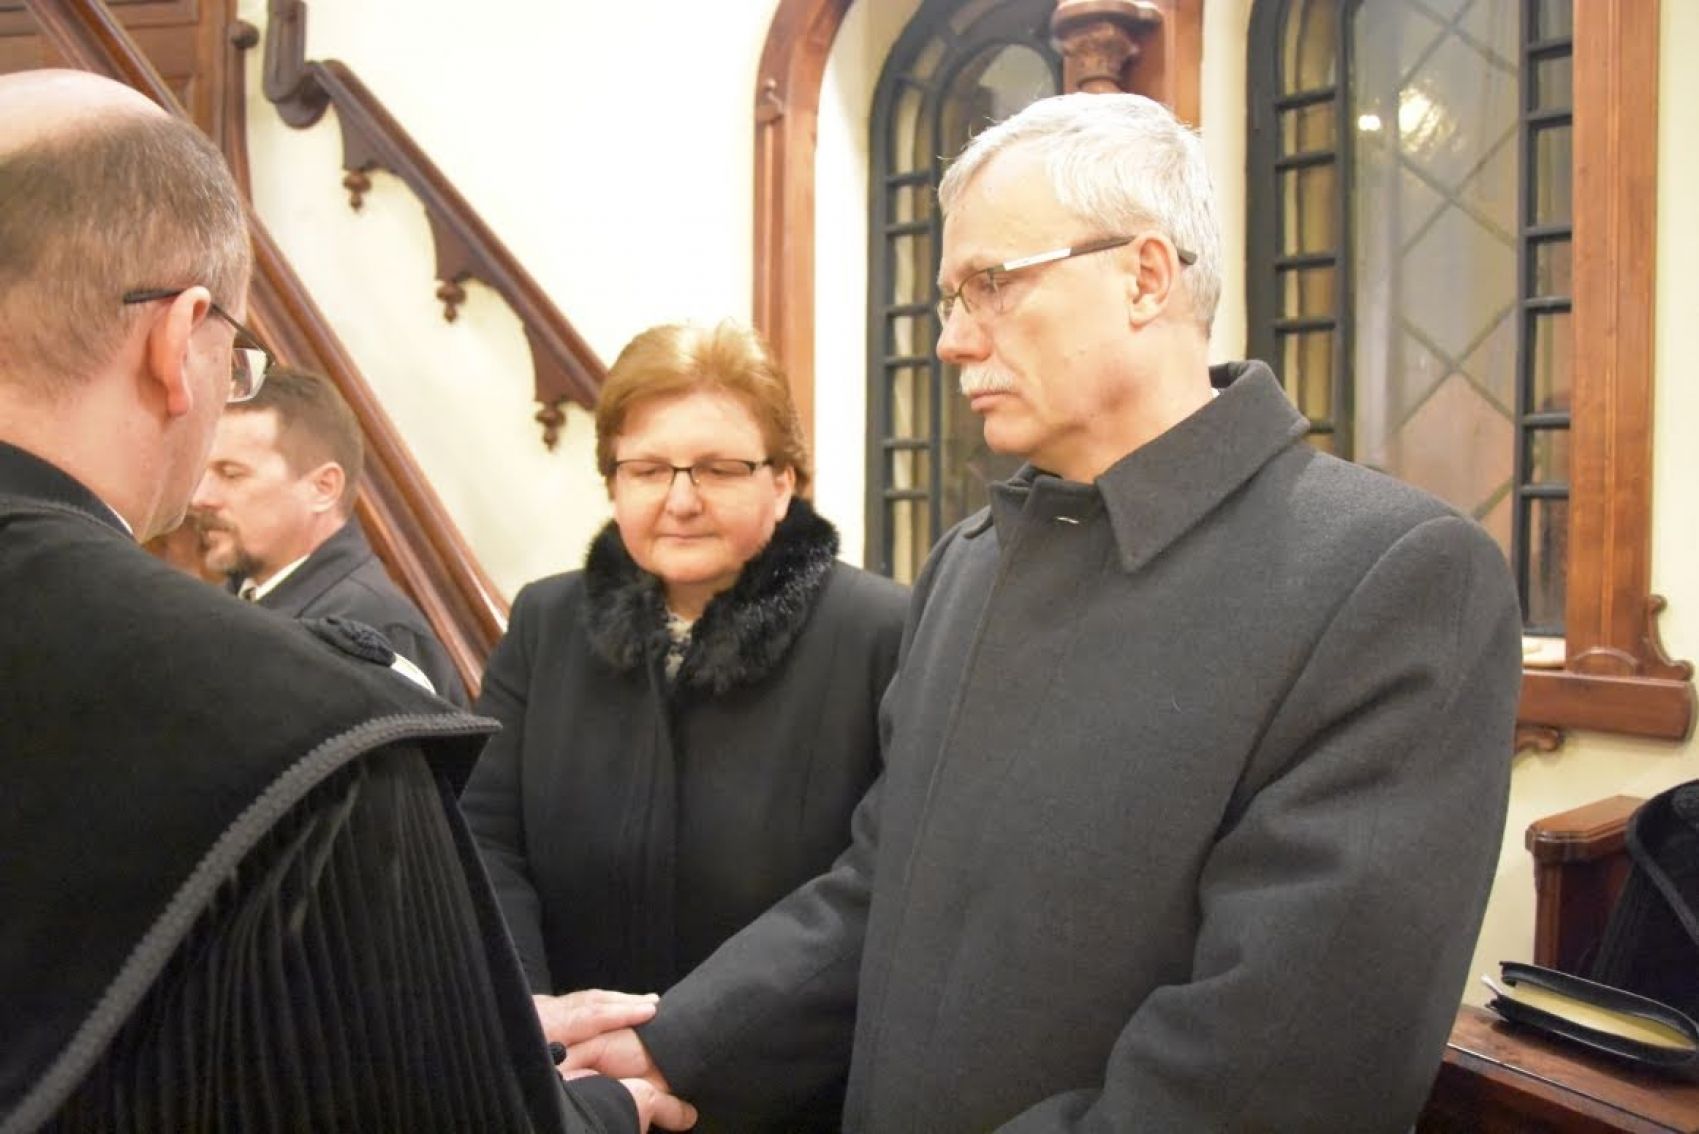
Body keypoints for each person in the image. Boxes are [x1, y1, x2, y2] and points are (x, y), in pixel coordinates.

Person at [565, 92, 1524, 1132]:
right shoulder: (971, 562)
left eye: (990, 284)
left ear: (1144, 278)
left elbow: (1271, 1070)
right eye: (949, 297)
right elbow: (885, 890)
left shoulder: (1389, 576)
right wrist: (679, 1040)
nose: (950, 339)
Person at [0, 69, 691, 1133]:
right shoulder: (314, 738)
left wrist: (472, 1013)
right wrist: (592, 1109)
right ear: (178, 343)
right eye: (234, 360)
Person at [461, 319, 909, 1131]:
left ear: (783, 480)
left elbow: (878, 885)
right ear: (612, 482)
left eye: (718, 468)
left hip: (783, 1097)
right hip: (571, 1089)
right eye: (646, 469)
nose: (679, 499)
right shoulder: (545, 621)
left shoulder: (880, 632)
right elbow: (485, 839)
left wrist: (676, 1044)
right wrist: (531, 1017)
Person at [190, 365, 469, 705]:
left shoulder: (375, 631)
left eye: (232, 474)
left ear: (323, 488)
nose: (200, 497)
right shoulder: (229, 600)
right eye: (202, 472)